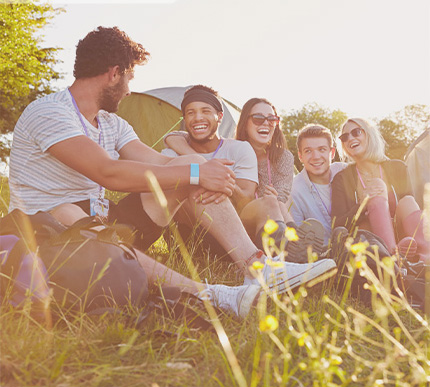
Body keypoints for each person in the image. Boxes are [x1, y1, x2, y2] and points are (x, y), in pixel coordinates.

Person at [8, 27, 336, 317]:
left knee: (186, 169)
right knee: (67, 211)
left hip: (105, 221)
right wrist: (198, 173)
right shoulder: (50, 112)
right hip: (53, 231)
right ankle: (211, 295)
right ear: (114, 73)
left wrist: (204, 170)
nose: (127, 90)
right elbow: (107, 172)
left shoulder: (111, 123)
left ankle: (258, 266)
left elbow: (162, 164)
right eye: (129, 79)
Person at [164, 94, 326, 261]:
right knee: (270, 202)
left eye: (271, 119)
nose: (265, 123)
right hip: (231, 218)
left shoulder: (281, 157)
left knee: (274, 202)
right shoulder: (235, 149)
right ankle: (297, 253)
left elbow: (280, 199)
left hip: (265, 217)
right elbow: (174, 136)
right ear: (244, 122)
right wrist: (208, 169)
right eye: (258, 118)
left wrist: (222, 180)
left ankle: (296, 249)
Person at [331, 117, 429, 262]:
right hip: (371, 240)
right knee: (376, 196)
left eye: (356, 132)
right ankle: (392, 258)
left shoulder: (398, 167)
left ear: (369, 134)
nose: (350, 138)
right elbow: (337, 224)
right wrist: (362, 205)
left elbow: (413, 207)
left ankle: (425, 258)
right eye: (344, 137)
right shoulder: (342, 178)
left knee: (408, 201)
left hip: (403, 235)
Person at [291, 124, 347, 246]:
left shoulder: (344, 171)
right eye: (308, 151)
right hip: (321, 256)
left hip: (356, 247)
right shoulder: (294, 191)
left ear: (332, 153)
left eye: (321, 149)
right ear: (300, 156)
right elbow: (297, 241)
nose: (316, 157)